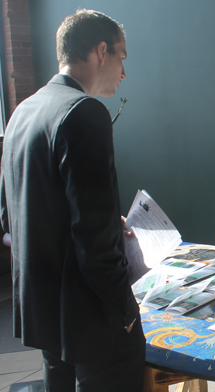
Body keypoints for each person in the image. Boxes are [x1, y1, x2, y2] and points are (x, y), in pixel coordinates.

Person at [0, 9, 145, 392]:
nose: (123, 72)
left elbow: (10, 213)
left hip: (43, 309)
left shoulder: (22, 112)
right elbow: (93, 238)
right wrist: (124, 310)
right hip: (89, 313)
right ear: (101, 51)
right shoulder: (85, 112)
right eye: (122, 57)